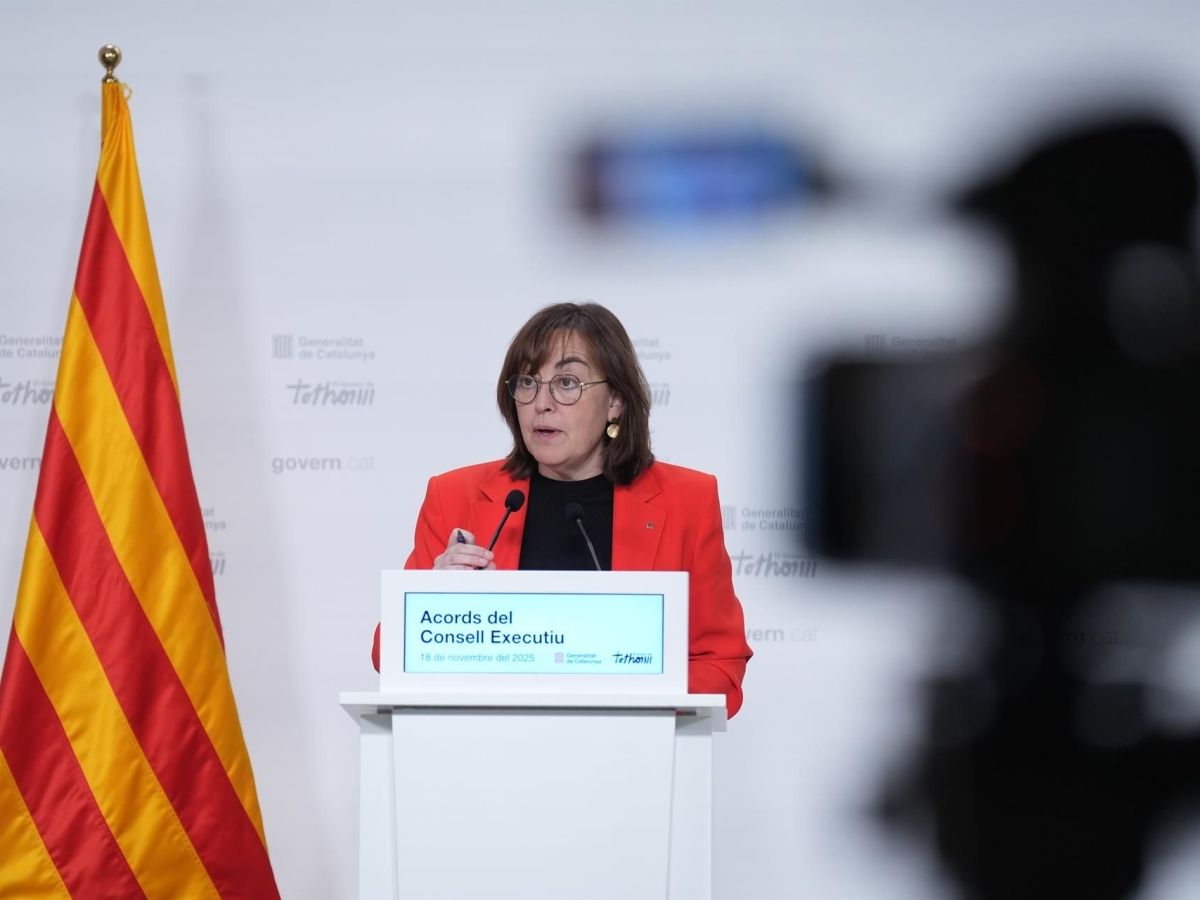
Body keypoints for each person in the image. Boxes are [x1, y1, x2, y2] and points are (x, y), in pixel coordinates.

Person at [372, 302, 751, 717]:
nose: (542, 403)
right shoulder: (456, 497)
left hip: (629, 746)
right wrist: (432, 602)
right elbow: (386, 653)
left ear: (615, 401)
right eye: (527, 383)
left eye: (567, 383)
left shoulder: (687, 501)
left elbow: (721, 667)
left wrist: (633, 696)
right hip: (488, 743)